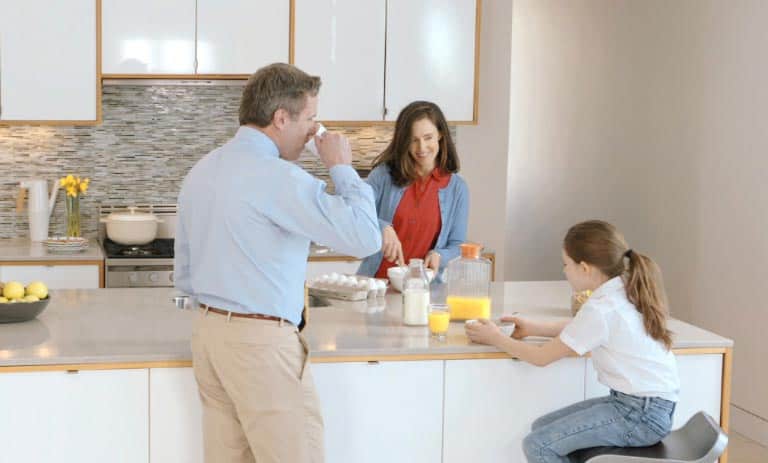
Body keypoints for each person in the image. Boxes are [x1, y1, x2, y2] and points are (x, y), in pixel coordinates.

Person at [174, 63, 381, 463]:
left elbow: (184, 271)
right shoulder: (278, 177)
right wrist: (340, 166)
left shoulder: (202, 170)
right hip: (261, 346)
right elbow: (364, 237)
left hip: (208, 336)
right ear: (280, 118)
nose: (312, 134)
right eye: (310, 120)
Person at [465, 220, 680, 463]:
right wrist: (534, 327)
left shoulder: (601, 307)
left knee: (539, 445)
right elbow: (585, 330)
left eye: (566, 264)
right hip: (645, 407)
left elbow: (541, 357)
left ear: (585, 268)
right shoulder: (621, 290)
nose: (564, 270)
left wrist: (495, 338)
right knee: (541, 427)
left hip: (639, 414)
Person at [356, 101, 469, 278]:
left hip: (426, 290)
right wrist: (382, 226)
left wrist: (440, 255)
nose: (421, 148)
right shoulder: (382, 176)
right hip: (376, 285)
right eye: (413, 140)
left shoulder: (457, 188)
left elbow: (457, 245)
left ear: (440, 134)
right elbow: (356, 211)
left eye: (428, 137)